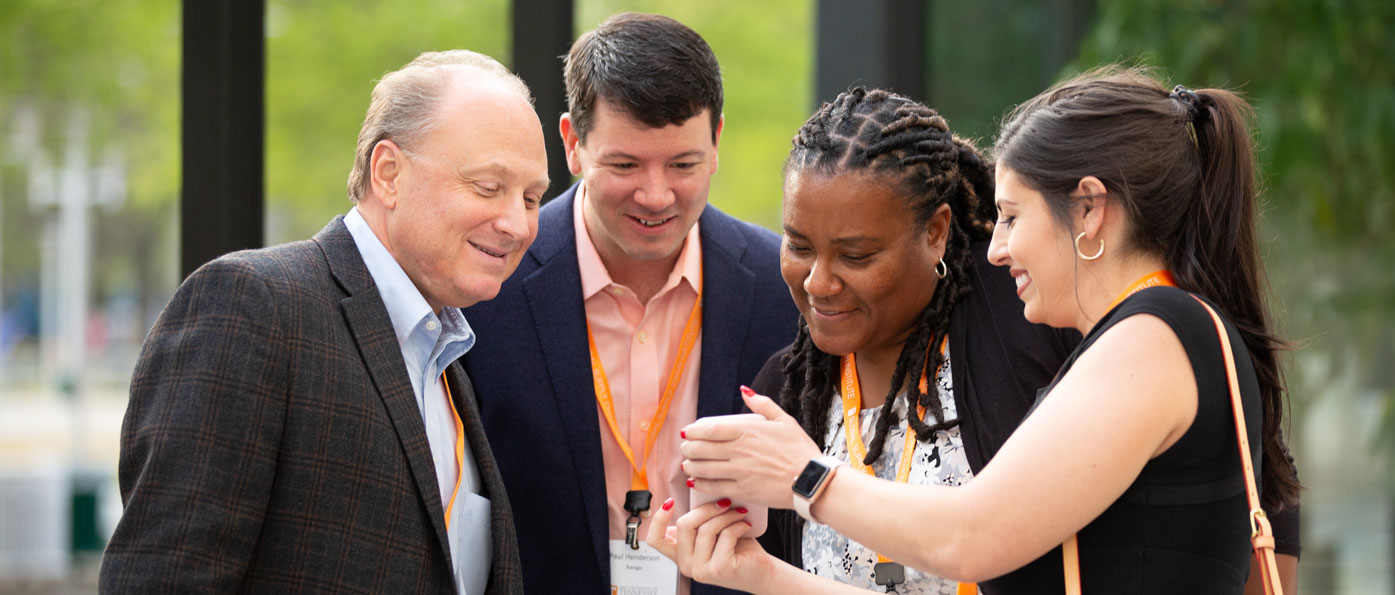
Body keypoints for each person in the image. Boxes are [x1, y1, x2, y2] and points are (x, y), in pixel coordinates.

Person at [655, 67, 1302, 594]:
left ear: (1090, 209)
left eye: (1014, 217)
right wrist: (762, 575)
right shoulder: (1159, 334)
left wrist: (805, 476)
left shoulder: (1153, 336)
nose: (997, 248)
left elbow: (970, 535)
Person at [100, 50, 546, 594]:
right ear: (389, 174)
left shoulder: (447, 358)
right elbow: (164, 579)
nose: (518, 223)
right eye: (488, 187)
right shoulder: (252, 305)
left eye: (531, 197)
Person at [459, 12, 800, 595]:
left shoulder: (784, 288)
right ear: (571, 143)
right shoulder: (488, 284)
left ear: (717, 141)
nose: (656, 195)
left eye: (683, 165)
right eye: (624, 165)